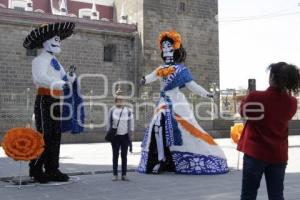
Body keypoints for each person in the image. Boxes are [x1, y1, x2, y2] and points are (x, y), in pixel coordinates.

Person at [137, 30, 229, 175]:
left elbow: (192, 85)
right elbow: (151, 76)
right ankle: (161, 159)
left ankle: (181, 158)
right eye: (164, 47)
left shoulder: (181, 70)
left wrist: (206, 93)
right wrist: (144, 80)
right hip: (162, 101)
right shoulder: (161, 69)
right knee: (157, 127)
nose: (166, 50)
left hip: (176, 102)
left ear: (175, 49)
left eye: (169, 47)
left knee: (183, 130)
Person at [23, 22, 76, 183]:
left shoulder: (55, 61)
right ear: (45, 40)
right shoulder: (39, 60)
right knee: (44, 135)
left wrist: (70, 77)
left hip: (56, 99)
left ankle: (52, 168)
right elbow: (40, 78)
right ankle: (36, 168)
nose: (58, 42)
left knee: (55, 135)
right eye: (55, 39)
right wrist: (60, 83)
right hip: (44, 99)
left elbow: (63, 78)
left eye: (59, 40)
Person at [238, 62, 299, 200]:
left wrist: (246, 98)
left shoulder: (256, 97)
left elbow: (243, 112)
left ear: (272, 77)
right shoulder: (292, 102)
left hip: (255, 153)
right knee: (276, 194)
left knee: (249, 194)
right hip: (279, 154)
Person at [106, 92, 134, 181]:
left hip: (125, 136)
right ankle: (115, 174)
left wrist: (132, 133)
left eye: (121, 100)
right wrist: (109, 132)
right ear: (116, 101)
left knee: (124, 155)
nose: (120, 101)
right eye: (118, 100)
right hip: (115, 136)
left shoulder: (128, 110)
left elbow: (131, 121)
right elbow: (108, 122)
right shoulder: (112, 110)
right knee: (115, 155)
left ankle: (124, 174)